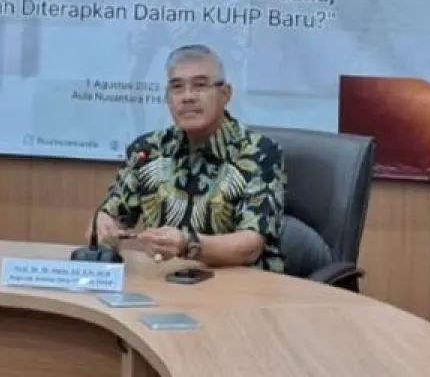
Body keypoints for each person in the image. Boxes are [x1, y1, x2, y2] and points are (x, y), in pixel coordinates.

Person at [90, 44, 287, 272]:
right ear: (167, 98)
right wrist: (104, 226)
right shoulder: (147, 151)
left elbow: (250, 245)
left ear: (226, 94)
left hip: (244, 285)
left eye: (200, 86)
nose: (187, 97)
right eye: (177, 87)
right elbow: (111, 217)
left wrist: (188, 245)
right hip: (166, 281)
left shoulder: (259, 152)